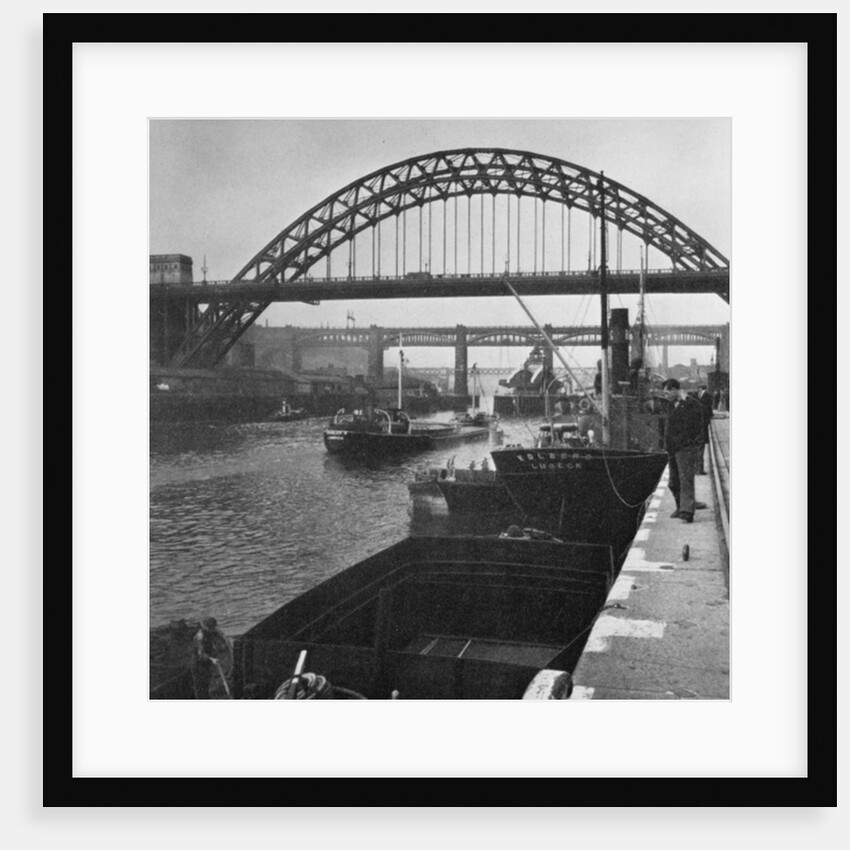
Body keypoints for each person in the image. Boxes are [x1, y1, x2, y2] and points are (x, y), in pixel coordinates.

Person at [662, 379, 703, 523]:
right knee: (673, 482)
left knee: (686, 480)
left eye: (667, 392)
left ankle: (687, 512)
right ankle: (680, 507)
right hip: (672, 448)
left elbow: (697, 425)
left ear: (675, 390)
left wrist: (688, 440)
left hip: (685, 448)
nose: (665, 395)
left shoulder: (691, 404)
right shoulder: (670, 405)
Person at [191, 616, 227, 700]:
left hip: (206, 663)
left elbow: (218, 635)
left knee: (207, 684)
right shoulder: (201, 637)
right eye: (212, 627)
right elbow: (201, 654)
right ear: (207, 627)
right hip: (198, 665)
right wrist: (212, 659)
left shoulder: (209, 632)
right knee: (201, 687)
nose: (214, 628)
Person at [695, 385, 714, 474]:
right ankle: (699, 469)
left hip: (701, 425)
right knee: (700, 448)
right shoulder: (704, 396)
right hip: (702, 425)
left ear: (700, 389)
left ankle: (698, 469)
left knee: (699, 448)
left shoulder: (705, 396)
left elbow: (707, 407)